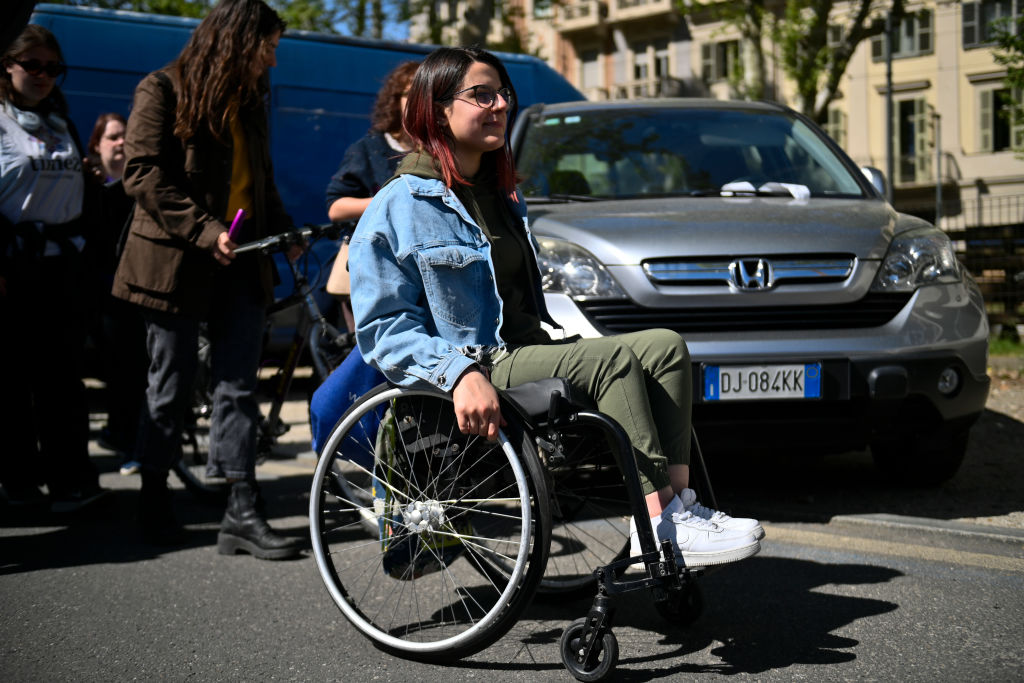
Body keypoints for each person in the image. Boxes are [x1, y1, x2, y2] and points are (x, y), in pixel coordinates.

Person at [349, 46, 764, 569]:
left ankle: (679, 510)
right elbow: (383, 328)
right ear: (436, 109)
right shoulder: (400, 204)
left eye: (503, 94)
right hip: (479, 361)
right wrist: (457, 373)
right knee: (610, 360)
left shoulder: (502, 194)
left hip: (526, 350)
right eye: (481, 95)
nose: (499, 104)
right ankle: (656, 526)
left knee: (665, 347)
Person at [112, 0, 300, 560]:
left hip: (241, 263)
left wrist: (286, 230)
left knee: (238, 387)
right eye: (267, 49)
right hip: (173, 264)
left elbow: (259, 183)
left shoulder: (252, 102)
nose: (270, 62)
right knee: (169, 386)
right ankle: (152, 496)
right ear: (239, 43)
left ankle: (240, 508)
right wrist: (203, 230)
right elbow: (141, 173)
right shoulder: (162, 89)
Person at [0, 25, 108, 512]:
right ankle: (18, 480)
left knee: (63, 378)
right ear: (8, 64)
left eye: (53, 68)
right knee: (13, 380)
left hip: (61, 267)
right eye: (33, 66)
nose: (44, 76)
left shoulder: (60, 118)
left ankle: (71, 479)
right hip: (13, 262)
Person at [324, 60, 418, 331]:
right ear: (395, 99)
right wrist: (390, 201)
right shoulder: (370, 148)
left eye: (427, 95)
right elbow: (335, 207)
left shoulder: (444, 150)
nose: (418, 102)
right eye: (410, 93)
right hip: (372, 271)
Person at [83, 112, 146, 476]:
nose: (121, 142)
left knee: (134, 372)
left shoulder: (137, 187)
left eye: (126, 136)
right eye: (112, 137)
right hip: (100, 293)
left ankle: (127, 441)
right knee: (120, 371)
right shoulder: (88, 187)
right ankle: (119, 437)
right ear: (96, 145)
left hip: (131, 292)